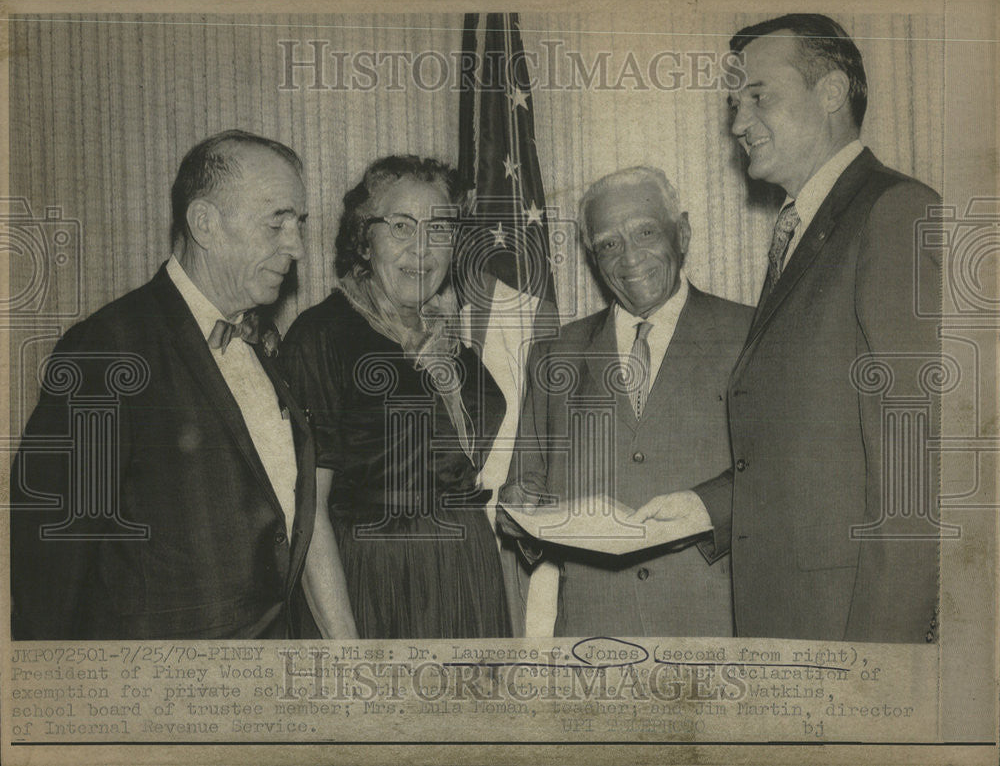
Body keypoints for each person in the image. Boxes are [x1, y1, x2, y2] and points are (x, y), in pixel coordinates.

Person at [638, 14, 942, 642]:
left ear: (831, 93)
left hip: (852, 628)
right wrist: (705, 506)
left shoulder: (894, 213)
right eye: (733, 103)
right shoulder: (805, 228)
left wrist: (880, 666)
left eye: (757, 97)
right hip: (793, 616)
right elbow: (819, 448)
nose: (738, 123)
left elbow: (917, 473)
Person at [11, 129, 315, 639]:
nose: (297, 247)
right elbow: (50, 567)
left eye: (299, 224)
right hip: (159, 692)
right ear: (205, 224)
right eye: (277, 223)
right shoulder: (108, 349)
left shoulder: (263, 337)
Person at [499, 166, 753, 637]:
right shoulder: (554, 353)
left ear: (684, 233)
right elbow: (525, 485)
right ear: (593, 258)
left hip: (716, 624)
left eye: (645, 232)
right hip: (593, 634)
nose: (629, 257)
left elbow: (784, 475)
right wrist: (520, 511)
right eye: (609, 244)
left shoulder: (752, 336)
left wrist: (705, 508)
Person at [281, 155, 511, 639]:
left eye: (440, 229)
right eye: (401, 226)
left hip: (466, 576)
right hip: (376, 583)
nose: (422, 249)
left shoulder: (450, 340)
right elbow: (306, 513)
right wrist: (347, 651)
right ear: (364, 239)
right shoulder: (322, 337)